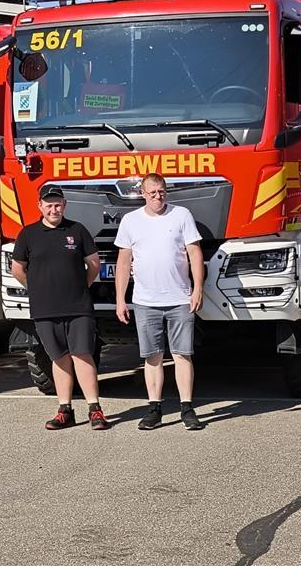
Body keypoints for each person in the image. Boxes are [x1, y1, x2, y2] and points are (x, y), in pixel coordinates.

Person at [11, 186, 109, 430]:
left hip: (78, 307)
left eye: (57, 205)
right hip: (45, 309)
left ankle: (95, 409)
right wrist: (37, 288)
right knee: (59, 357)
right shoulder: (28, 234)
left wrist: (80, 287)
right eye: (48, 205)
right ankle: (65, 410)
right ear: (40, 207)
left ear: (64, 205)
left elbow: (93, 265)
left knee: (82, 354)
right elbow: (18, 269)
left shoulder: (77, 230)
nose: (53, 209)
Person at [113, 173, 205, 431]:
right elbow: (123, 262)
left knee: (182, 354)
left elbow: (194, 253)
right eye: (152, 193)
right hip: (145, 300)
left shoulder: (182, 215)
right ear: (142, 194)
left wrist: (198, 289)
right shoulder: (131, 221)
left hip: (180, 299)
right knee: (152, 356)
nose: (158, 197)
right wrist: (121, 299)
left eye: (162, 191)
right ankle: (154, 409)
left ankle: (187, 408)